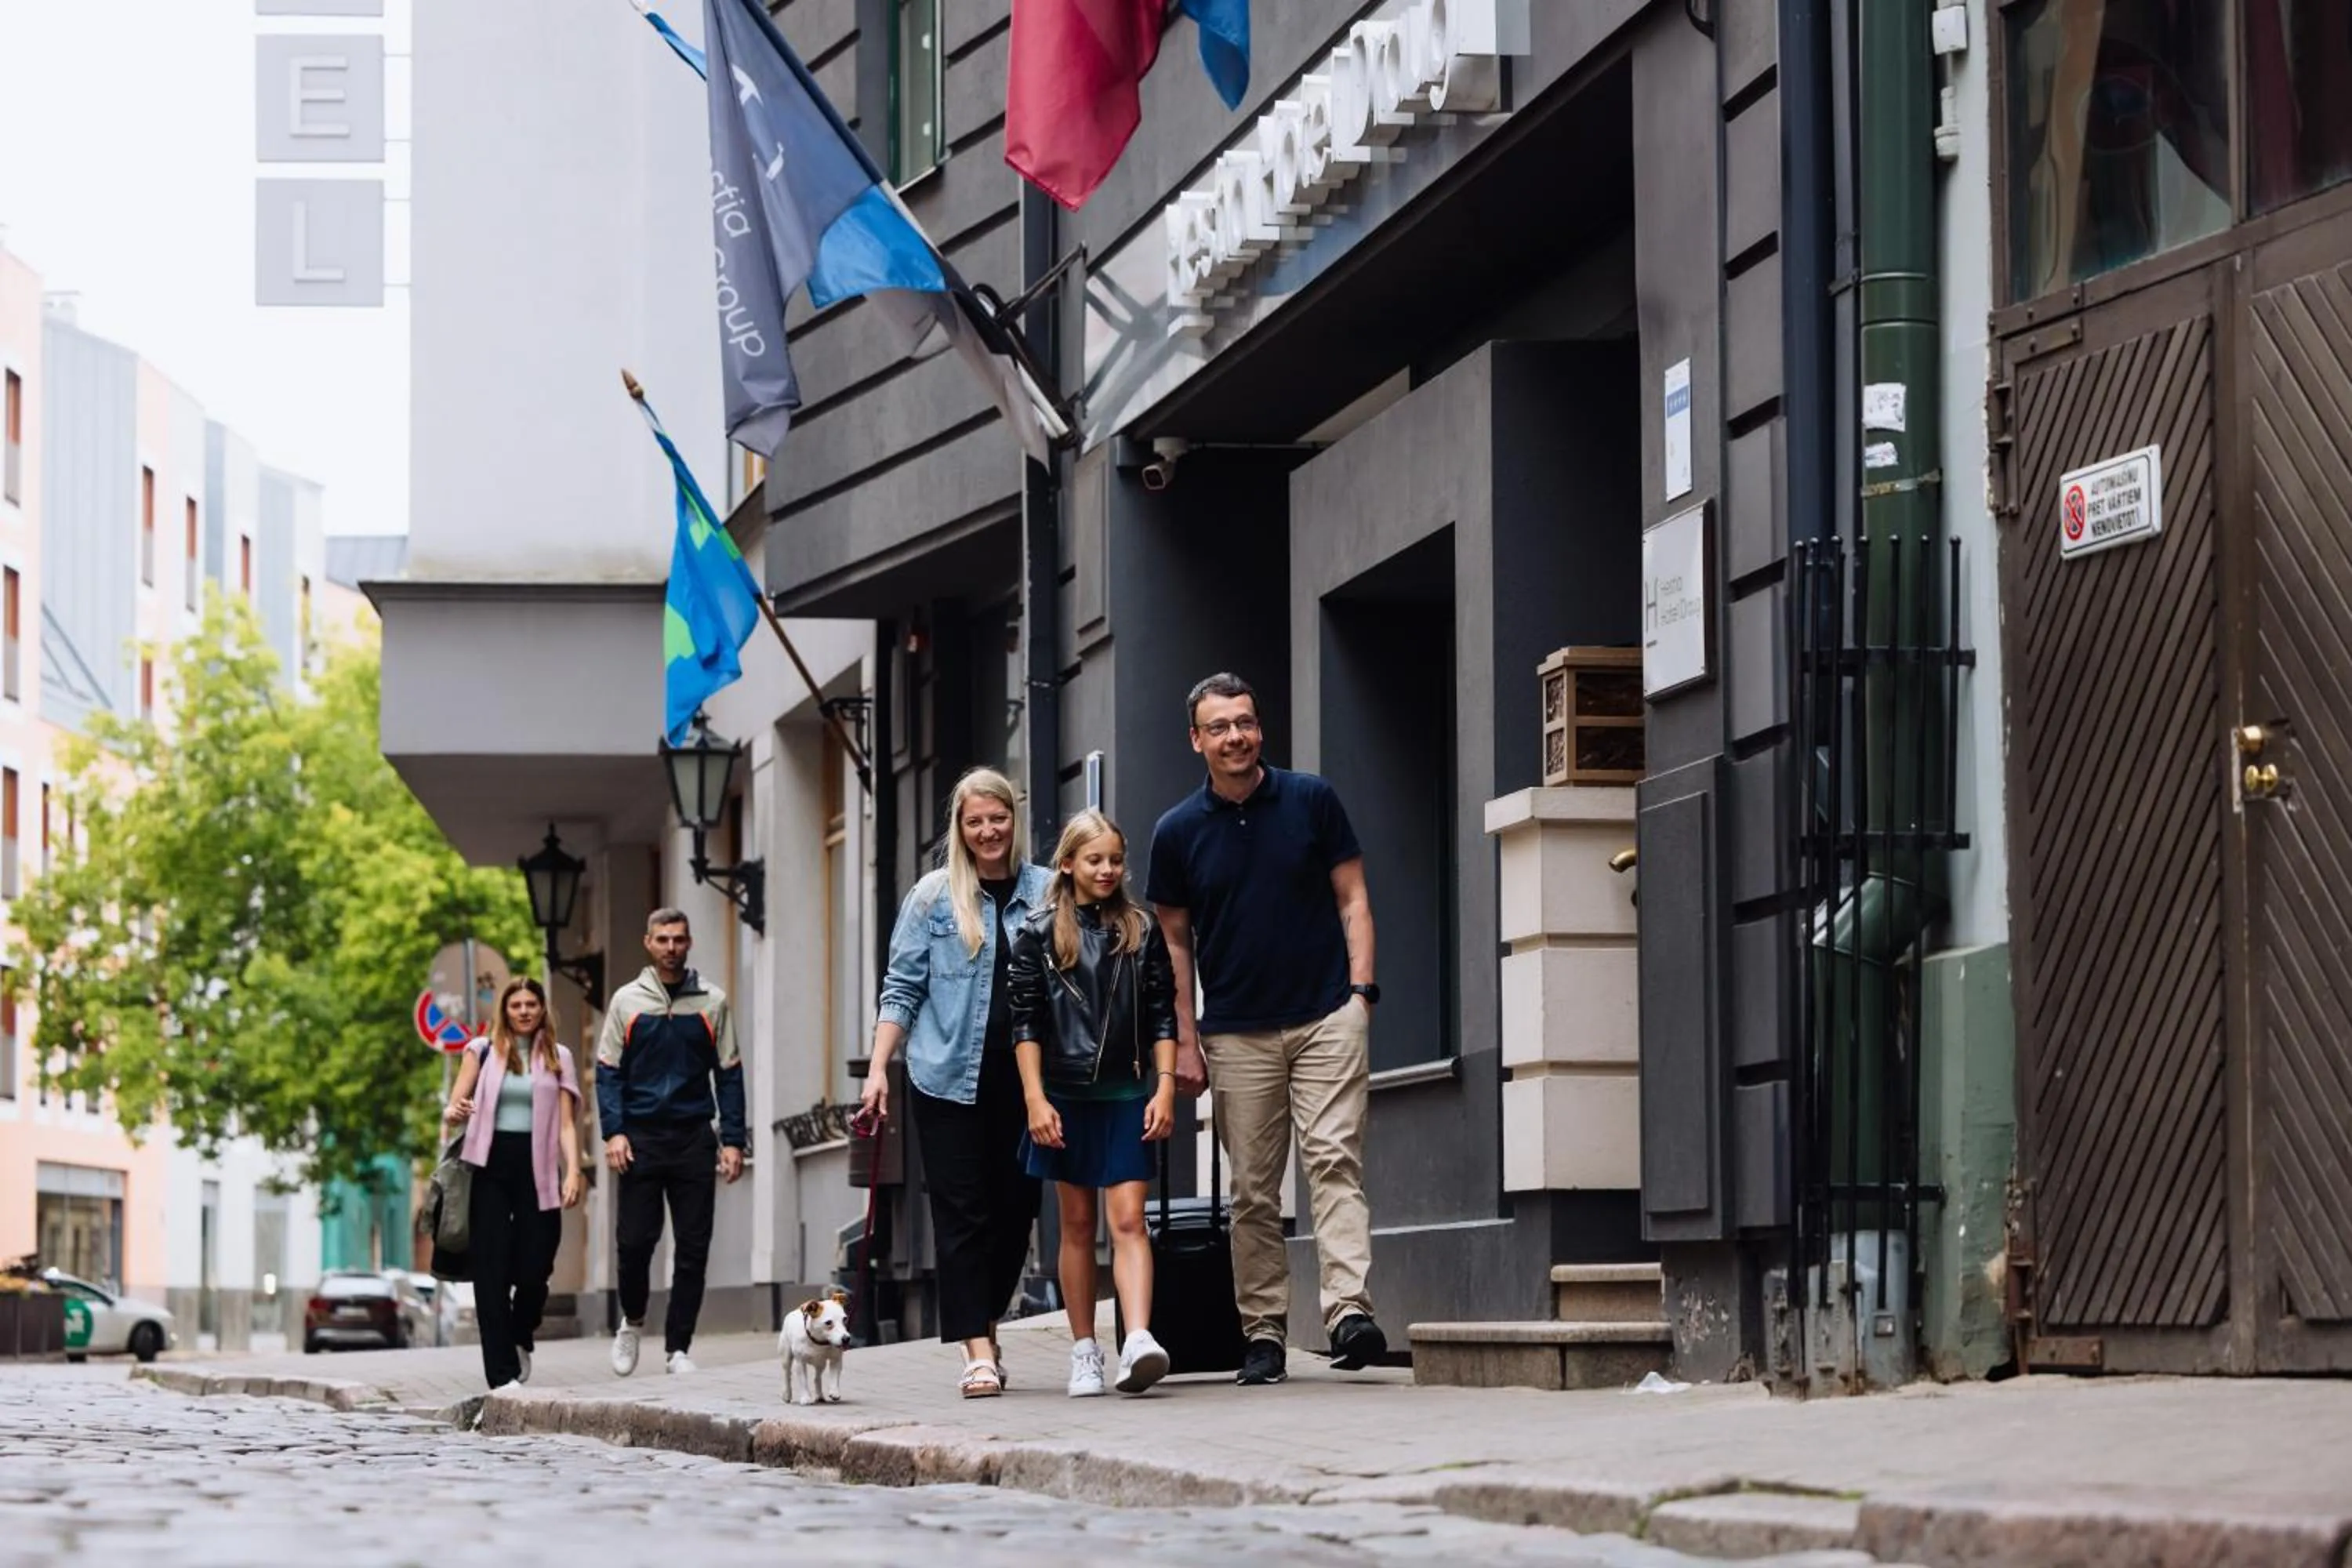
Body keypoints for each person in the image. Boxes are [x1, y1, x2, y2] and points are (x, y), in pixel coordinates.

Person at [1146, 671, 1388, 1387]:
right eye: (1219, 727)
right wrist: (1185, 1042)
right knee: (1253, 1189)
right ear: (1196, 740)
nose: (1236, 737)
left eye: (1245, 722)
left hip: (1327, 1016)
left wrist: (1361, 995)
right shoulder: (1176, 832)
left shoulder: (1312, 800)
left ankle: (1349, 1312)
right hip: (1235, 1033)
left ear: (1260, 728)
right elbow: (1174, 944)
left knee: (1334, 1161)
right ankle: (1263, 1333)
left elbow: (1354, 899)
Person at [860, 767, 1047, 1399]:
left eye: (998, 818)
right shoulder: (933, 897)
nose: (988, 831)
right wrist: (878, 1071)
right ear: (960, 829)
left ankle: (983, 1321)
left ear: (1014, 820)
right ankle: (977, 1349)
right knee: (962, 1212)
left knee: (1017, 1211)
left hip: (1027, 1083)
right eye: (976, 822)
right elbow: (901, 988)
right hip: (945, 1080)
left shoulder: (1048, 892)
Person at [1007, 810, 1178, 1399]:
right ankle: (1085, 1350)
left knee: (1129, 1221)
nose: (1107, 870)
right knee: (1077, 1225)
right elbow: (1025, 1023)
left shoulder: (1141, 929)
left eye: (1115, 860)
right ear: (1067, 864)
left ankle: (1138, 1339)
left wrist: (1164, 1087)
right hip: (1064, 1097)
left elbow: (1161, 1013)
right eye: (1095, 859)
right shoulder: (1037, 933)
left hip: (1127, 1094)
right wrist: (1035, 1099)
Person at [596, 908, 745, 1377]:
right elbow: (607, 1073)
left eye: (678, 939)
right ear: (648, 943)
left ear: (689, 942)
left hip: (693, 1138)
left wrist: (733, 1140)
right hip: (640, 1139)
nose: (671, 948)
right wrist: (614, 1131)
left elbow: (730, 1074)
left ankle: (678, 1347)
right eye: (662, 939)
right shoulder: (626, 1002)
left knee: (693, 1247)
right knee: (634, 1243)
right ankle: (632, 1320)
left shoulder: (712, 1002)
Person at [443, 978, 584, 1392]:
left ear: (542, 1009)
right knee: (491, 1272)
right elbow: (452, 1108)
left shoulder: (559, 1057)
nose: (524, 1011)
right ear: (504, 1011)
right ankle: (502, 1375)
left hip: (538, 1167)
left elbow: (567, 1124)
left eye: (531, 1004)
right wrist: (456, 1110)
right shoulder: (482, 1051)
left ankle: (522, 1332)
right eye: (516, 1005)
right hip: (488, 1167)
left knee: (536, 1266)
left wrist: (573, 1170)